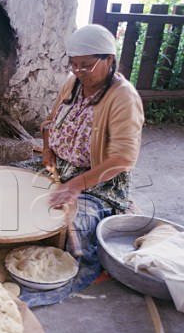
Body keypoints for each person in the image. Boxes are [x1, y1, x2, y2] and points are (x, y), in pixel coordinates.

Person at [41, 24, 144, 214]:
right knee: (7, 183)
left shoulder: (123, 97)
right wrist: (48, 149)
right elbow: (50, 121)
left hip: (99, 181)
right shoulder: (72, 83)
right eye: (74, 64)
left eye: (87, 65)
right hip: (60, 169)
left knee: (71, 221)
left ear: (109, 60)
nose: (79, 71)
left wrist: (76, 185)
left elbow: (123, 158)